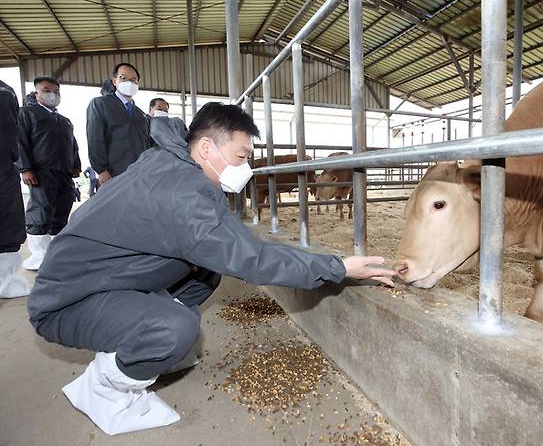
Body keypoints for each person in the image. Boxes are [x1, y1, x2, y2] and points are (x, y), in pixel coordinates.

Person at [27, 103, 395, 435]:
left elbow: (226, 243)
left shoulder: (171, 164)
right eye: (241, 155)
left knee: (205, 273)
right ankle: (106, 388)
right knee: (176, 328)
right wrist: (338, 266)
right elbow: (253, 259)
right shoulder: (183, 196)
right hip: (66, 303)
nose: (245, 167)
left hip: (98, 280)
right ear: (207, 148)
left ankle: (141, 340)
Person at [17, 77, 81, 271]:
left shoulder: (64, 121)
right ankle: (39, 256)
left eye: (56, 91)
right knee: (41, 210)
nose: (52, 94)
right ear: (37, 93)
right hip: (41, 172)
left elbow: (73, 145)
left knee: (62, 210)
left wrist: (76, 165)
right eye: (46, 90)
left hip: (64, 172)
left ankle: (56, 254)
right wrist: (25, 168)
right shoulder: (26, 113)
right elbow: (20, 141)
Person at [86, 62, 151, 185]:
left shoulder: (141, 115)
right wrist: (101, 170)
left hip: (140, 174)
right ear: (114, 81)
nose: (129, 82)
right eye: (123, 78)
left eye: (133, 79)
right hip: (113, 174)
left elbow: (146, 144)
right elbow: (95, 139)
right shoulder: (101, 104)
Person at [0, 79, 30, 298]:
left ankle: (6, 279)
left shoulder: (6, 91)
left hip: (4, 164)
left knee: (9, 222)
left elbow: (15, 133)